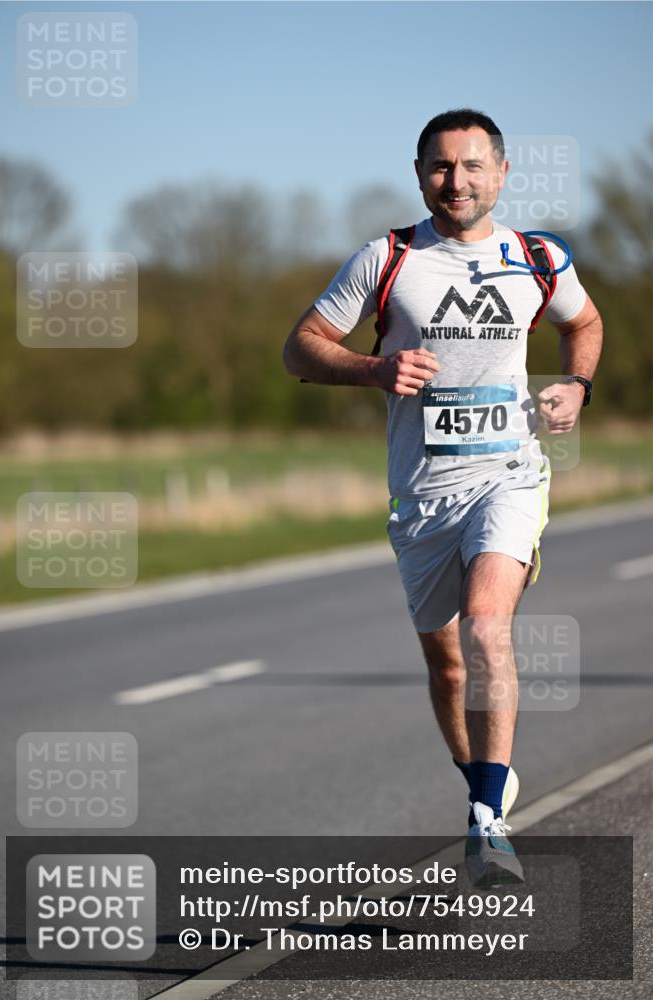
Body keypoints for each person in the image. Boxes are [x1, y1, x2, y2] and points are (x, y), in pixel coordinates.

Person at [282, 108, 603, 886]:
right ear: (419, 171)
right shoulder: (386, 258)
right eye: (437, 166)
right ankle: (484, 786)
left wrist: (575, 384)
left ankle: (487, 828)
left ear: (499, 173)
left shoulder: (537, 257)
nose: (452, 181)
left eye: (468, 166)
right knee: (449, 666)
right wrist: (371, 370)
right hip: (422, 494)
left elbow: (584, 322)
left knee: (488, 628)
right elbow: (299, 348)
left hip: (510, 474)